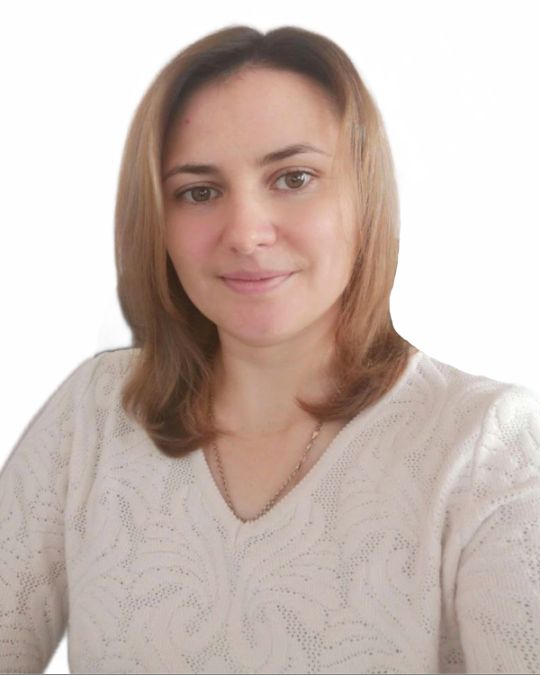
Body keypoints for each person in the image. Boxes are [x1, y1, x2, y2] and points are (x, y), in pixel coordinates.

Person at [1, 24, 539, 675]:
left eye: (293, 178)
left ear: (364, 198)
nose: (246, 232)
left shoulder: (486, 450)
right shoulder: (94, 416)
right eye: (199, 191)